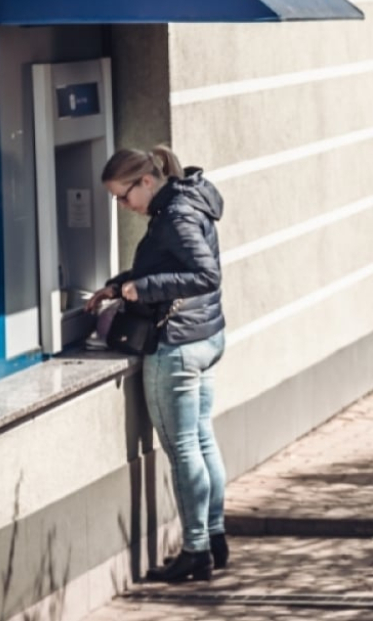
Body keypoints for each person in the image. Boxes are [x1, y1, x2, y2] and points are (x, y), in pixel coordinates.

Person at [85, 146, 228, 583]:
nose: (122, 206)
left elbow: (205, 275)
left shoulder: (176, 216)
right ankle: (215, 537)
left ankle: (196, 551)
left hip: (178, 346)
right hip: (205, 336)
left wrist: (142, 288)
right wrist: (119, 285)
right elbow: (167, 264)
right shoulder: (186, 200)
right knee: (202, 440)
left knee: (184, 448)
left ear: (146, 181)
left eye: (122, 196)